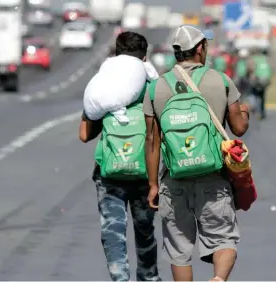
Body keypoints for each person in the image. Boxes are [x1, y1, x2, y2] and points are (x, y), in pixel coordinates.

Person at [143, 25, 250, 282]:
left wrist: (153, 184)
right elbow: (239, 128)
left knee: (179, 251)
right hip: (213, 178)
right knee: (224, 238)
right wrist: (244, 111)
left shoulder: (156, 87)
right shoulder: (221, 81)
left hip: (174, 179)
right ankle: (218, 279)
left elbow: (152, 140)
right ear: (200, 48)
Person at [79, 31, 161, 282]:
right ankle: (148, 277)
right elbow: (160, 134)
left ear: (116, 54)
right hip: (145, 175)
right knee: (144, 231)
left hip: (109, 175)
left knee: (113, 233)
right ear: (144, 57)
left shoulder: (104, 85)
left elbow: (84, 134)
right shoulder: (153, 86)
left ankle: (120, 278)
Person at [250, 48, 272, 119]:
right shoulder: (267, 60)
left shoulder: (255, 59)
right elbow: (270, 71)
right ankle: (262, 112)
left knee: (255, 95)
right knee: (262, 97)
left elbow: (251, 69)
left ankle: (257, 111)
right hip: (265, 80)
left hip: (258, 80)